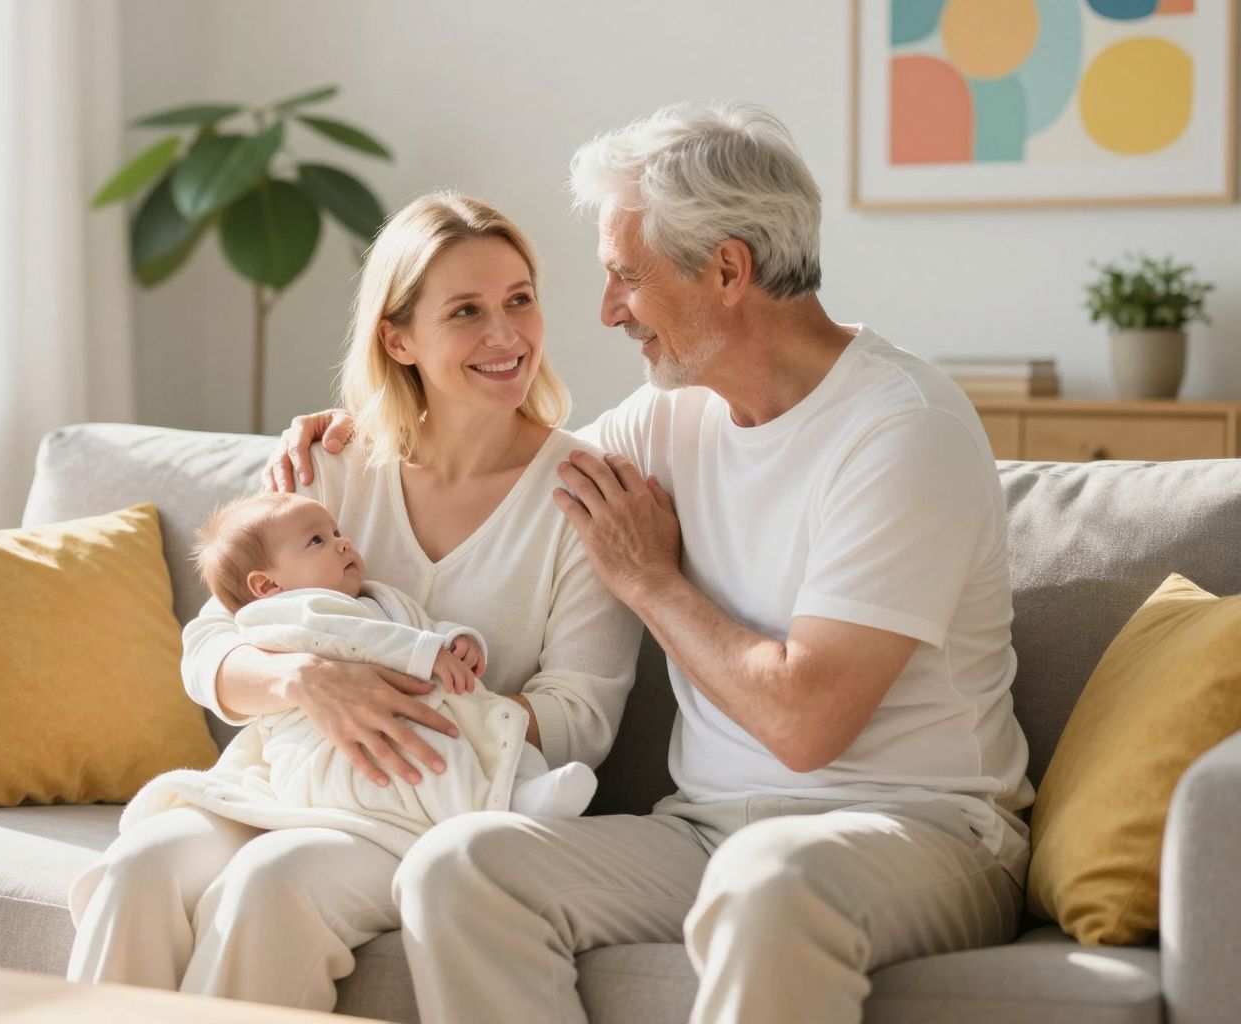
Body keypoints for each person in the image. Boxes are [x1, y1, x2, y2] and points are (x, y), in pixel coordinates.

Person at [268, 101, 1033, 1024]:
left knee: (769, 880)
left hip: (927, 833)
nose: (605, 311)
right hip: (706, 832)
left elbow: (805, 722)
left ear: (727, 270)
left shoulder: (903, 430)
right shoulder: (667, 417)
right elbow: (512, 468)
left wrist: (650, 580)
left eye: (624, 277)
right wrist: (365, 434)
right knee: (461, 866)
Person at [65, 192, 643, 1010]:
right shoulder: (329, 467)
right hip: (283, 779)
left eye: (520, 299)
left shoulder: (581, 495)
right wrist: (306, 682)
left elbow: (583, 716)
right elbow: (210, 648)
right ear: (398, 337)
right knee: (137, 869)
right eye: (466, 311)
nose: (507, 335)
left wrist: (415, 709)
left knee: (267, 886)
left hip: (434, 804)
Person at [118, 491, 599, 838]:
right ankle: (500, 807)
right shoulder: (287, 612)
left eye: (338, 533)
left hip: (394, 721)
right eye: (317, 542)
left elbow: (417, 625)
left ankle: (524, 788)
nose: (343, 543)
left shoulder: (376, 598)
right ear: (267, 586)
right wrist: (424, 654)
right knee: (431, 754)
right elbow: (352, 640)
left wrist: (456, 641)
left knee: (496, 730)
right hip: (330, 750)